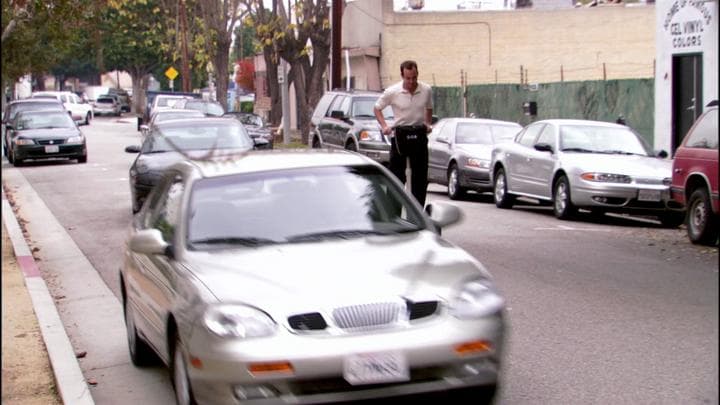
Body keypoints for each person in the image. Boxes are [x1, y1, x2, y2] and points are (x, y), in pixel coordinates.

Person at [373, 60, 434, 206]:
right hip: (400, 135)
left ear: (417, 74)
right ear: (402, 76)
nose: (411, 81)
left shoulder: (426, 90)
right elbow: (377, 108)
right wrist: (384, 126)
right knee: (397, 177)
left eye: (414, 77)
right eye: (408, 78)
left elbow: (429, 107)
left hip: (418, 133)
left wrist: (427, 123)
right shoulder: (393, 91)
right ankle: (394, 212)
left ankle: (418, 212)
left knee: (420, 177)